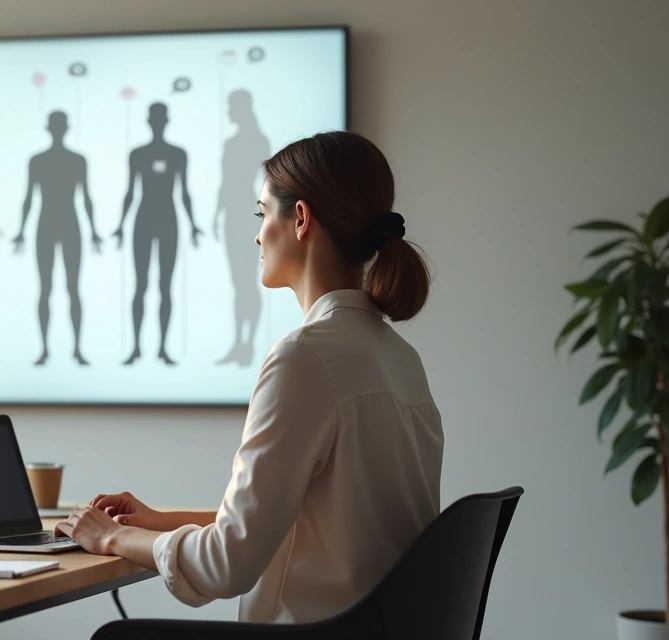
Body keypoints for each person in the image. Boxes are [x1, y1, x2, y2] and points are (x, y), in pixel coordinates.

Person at [56, 131, 443, 625]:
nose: (258, 235)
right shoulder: (398, 356)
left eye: (263, 214)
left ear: (300, 219)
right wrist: (154, 522)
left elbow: (227, 565)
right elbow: (298, 523)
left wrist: (109, 536)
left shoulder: (304, 357)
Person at [112, 102, 201, 366]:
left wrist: (193, 223)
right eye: (155, 119)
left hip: (168, 221)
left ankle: (162, 347)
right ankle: (137, 347)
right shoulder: (137, 154)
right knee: (140, 285)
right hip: (143, 220)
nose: (158, 122)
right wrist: (120, 224)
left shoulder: (178, 154)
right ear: (150, 122)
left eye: (161, 119)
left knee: (165, 286)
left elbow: (184, 191)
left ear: (165, 121)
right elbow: (130, 191)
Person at [13, 111, 102, 366]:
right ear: (50, 128)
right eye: (56, 125)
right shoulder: (37, 161)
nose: (58, 129)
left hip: (70, 225)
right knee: (46, 289)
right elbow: (29, 197)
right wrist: (20, 230)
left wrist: (94, 230)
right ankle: (44, 349)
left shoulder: (77, 160)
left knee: (73, 288)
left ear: (65, 128)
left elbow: (86, 197)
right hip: (46, 226)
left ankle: (76, 348)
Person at [213, 90, 270, 367]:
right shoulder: (231, 142)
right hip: (231, 215)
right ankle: (240, 343)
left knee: (248, 281)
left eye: (231, 106)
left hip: (247, 213)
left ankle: (248, 343)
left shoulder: (258, 141)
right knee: (239, 283)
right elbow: (224, 182)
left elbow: (269, 184)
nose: (228, 111)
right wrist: (216, 213)